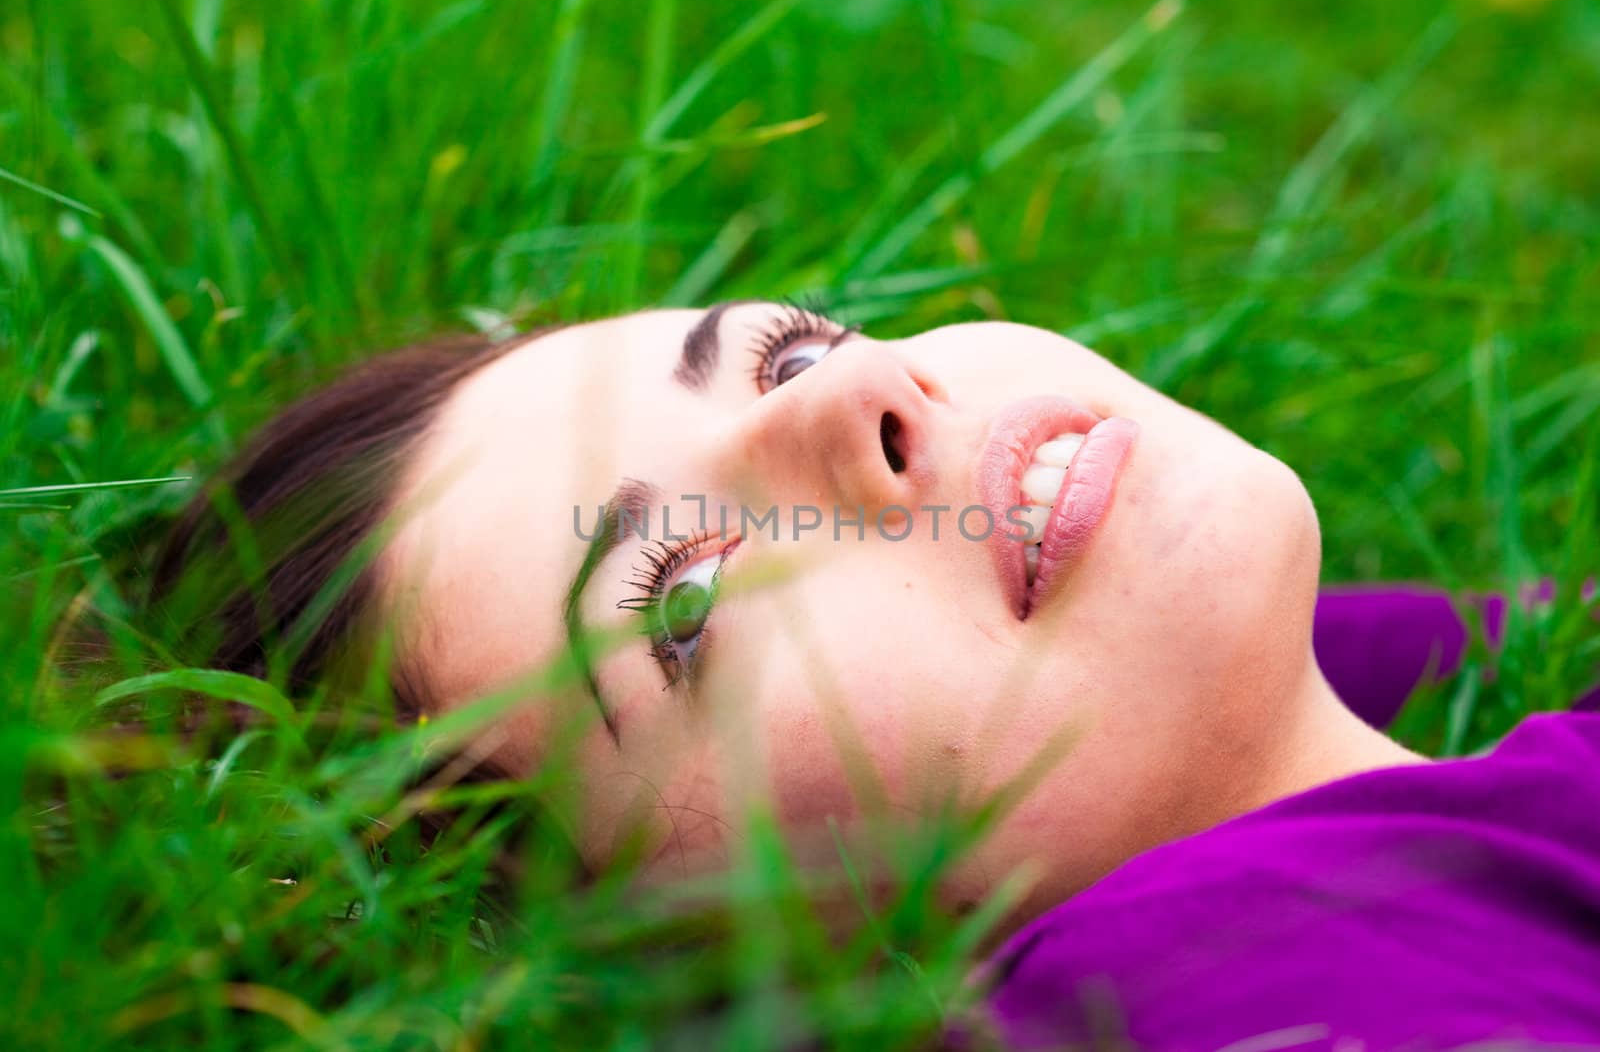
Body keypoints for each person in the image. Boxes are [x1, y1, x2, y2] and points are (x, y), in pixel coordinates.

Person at [147, 301, 1600, 1047]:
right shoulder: (1200, 987)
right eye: (693, 599)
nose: (858, 392)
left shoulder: (1398, 691)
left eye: (782, 354)